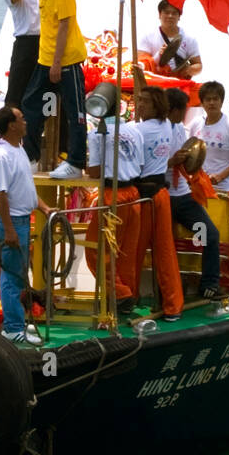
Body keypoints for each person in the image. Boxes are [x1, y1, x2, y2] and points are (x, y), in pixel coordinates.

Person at [21, 0, 88, 178]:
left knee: (74, 111)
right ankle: (31, 156)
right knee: (32, 105)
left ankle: (76, 162)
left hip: (65, 60)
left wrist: (57, 63)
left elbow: (64, 25)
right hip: (45, 59)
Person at [0, 105, 52, 346]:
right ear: (11, 125)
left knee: (17, 275)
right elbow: (1, 195)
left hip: (23, 220)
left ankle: (18, 325)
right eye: (21, 119)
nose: (25, 121)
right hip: (12, 223)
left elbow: (26, 188)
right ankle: (13, 328)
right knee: (12, 277)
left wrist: (44, 208)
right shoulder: (1, 156)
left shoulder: (19, 150)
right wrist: (10, 230)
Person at [189, 81, 229, 300]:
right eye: (208, 99)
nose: (212, 102)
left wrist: (222, 175)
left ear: (221, 101)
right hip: (200, 191)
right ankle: (211, 283)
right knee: (201, 236)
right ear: (202, 102)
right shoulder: (196, 124)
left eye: (216, 98)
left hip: (225, 192)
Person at [164, 88, 223, 300]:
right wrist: (171, 162)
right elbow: (145, 167)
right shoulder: (154, 130)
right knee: (165, 243)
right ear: (173, 109)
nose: (187, 114)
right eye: (184, 109)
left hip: (183, 196)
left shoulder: (180, 128)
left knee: (208, 234)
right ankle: (167, 291)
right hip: (163, 197)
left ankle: (209, 284)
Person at [132, 88, 184, 321]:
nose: (139, 104)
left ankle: (128, 299)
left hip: (142, 197)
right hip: (160, 194)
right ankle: (173, 305)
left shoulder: (138, 130)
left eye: (145, 102)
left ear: (156, 106)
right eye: (138, 100)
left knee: (134, 251)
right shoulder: (166, 126)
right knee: (164, 251)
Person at [86, 112, 144, 315]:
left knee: (97, 250)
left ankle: (120, 294)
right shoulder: (135, 131)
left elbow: (94, 171)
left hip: (113, 195)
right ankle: (126, 295)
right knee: (125, 251)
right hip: (134, 194)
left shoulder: (96, 134)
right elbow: (141, 165)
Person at [3, 0, 41, 108]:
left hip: (45, 42)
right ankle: (14, 125)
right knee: (16, 91)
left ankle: (50, 124)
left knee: (48, 91)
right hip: (24, 44)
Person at [137, 0, 202, 80]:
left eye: (174, 13)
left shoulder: (189, 39)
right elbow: (140, 65)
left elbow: (198, 65)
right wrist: (158, 57)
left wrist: (189, 70)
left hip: (179, 85)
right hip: (154, 85)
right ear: (159, 15)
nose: (170, 16)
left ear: (179, 17)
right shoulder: (147, 37)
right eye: (166, 12)